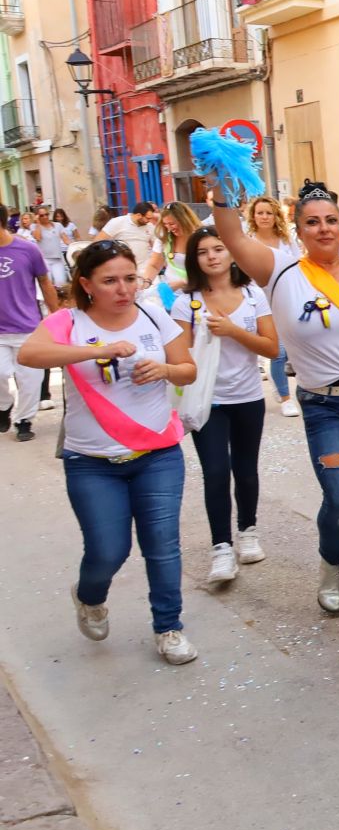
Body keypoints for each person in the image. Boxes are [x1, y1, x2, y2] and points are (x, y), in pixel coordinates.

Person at [210, 177, 339, 616]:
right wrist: (220, 186)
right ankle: (330, 570)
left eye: (331, 221)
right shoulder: (280, 272)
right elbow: (230, 234)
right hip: (325, 406)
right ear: (299, 230)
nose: (324, 229)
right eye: (312, 222)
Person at [17, 240, 199, 664]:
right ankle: (90, 596)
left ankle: (169, 627)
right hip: (91, 462)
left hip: (157, 454)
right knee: (107, 550)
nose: (123, 289)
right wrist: (98, 350)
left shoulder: (155, 314)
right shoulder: (70, 321)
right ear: (86, 284)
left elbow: (188, 370)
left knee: (162, 546)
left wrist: (166, 370)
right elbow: (30, 354)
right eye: (110, 281)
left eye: (129, 278)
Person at [174, 229, 277, 585]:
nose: (212, 256)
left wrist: (234, 331)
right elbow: (178, 354)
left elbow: (271, 348)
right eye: (202, 252)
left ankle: (248, 530)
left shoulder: (253, 295)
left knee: (246, 470)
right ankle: (221, 547)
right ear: (194, 260)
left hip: (248, 397)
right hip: (208, 401)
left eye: (219, 248)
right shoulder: (186, 302)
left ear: (232, 253)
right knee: (216, 471)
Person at [0, 204, 59, 441]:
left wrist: (56, 317)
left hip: (27, 326)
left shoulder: (27, 249)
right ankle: (4, 406)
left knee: (30, 379)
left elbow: (45, 282)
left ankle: (24, 420)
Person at [247, 195, 300, 416]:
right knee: (277, 352)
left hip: (284, 298)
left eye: (269, 212)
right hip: (257, 302)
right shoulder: (247, 240)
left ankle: (279, 384)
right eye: (260, 212)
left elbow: (298, 266)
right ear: (253, 216)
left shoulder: (287, 240)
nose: (265, 217)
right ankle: (287, 398)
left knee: (288, 350)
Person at [150, 202, 201, 294]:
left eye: (172, 224)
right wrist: (146, 282)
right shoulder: (164, 238)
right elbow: (154, 266)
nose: (169, 228)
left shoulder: (202, 238)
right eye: (165, 224)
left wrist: (182, 282)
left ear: (184, 220)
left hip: (199, 292)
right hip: (172, 295)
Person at [101, 201, 159, 282]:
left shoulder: (150, 227)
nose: (149, 221)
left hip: (145, 270)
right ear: (138, 215)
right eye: (148, 218)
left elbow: (157, 246)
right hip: (122, 271)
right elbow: (99, 242)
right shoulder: (117, 222)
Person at [31, 208, 72, 287]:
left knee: (61, 283)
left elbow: (66, 239)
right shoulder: (34, 226)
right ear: (37, 216)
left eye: (46, 214)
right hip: (44, 260)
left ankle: (60, 299)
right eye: (42, 215)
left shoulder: (58, 225)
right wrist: (38, 223)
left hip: (57, 259)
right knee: (47, 284)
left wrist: (74, 246)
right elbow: (38, 237)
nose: (45, 217)